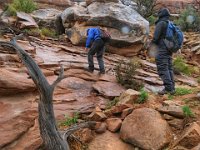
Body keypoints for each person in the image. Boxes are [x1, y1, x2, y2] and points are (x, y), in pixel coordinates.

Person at [151, 8, 175, 95]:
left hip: (162, 48)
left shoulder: (161, 23)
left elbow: (156, 38)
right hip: (169, 48)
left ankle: (168, 89)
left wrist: (151, 46)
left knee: (162, 67)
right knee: (169, 68)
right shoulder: (170, 23)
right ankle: (172, 87)